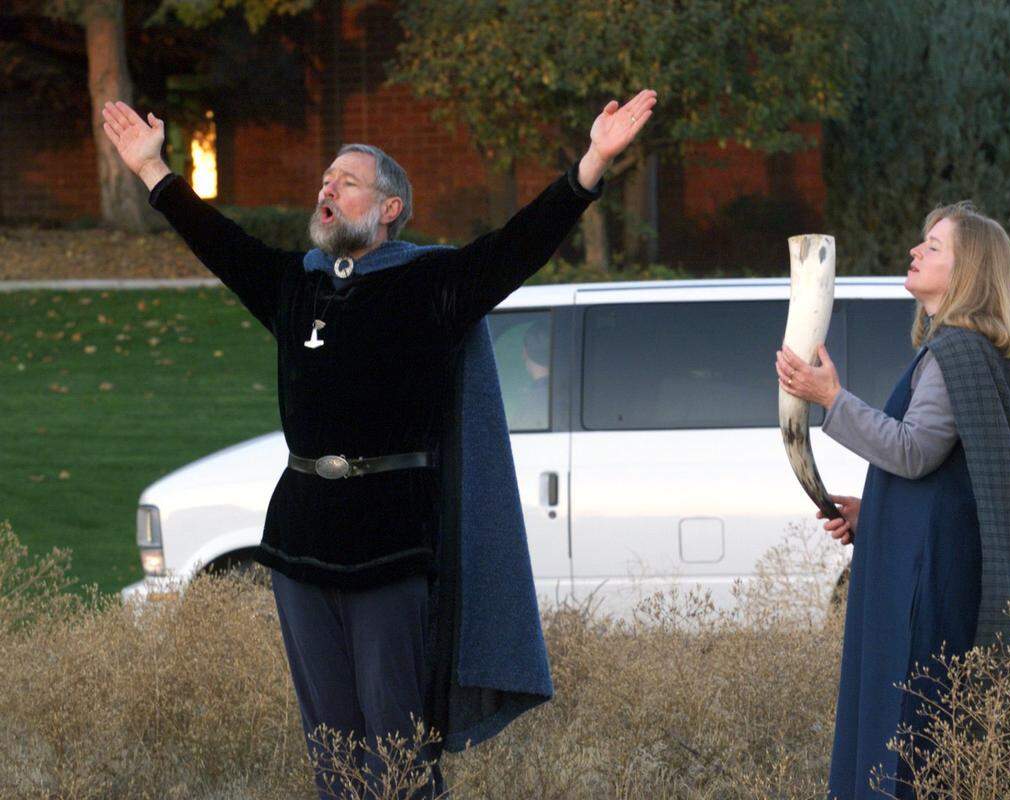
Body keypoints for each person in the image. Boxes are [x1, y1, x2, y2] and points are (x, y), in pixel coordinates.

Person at [102, 89, 656, 799]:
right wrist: (154, 172)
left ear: (389, 208)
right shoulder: (295, 287)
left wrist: (591, 165)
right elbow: (221, 244)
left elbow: (518, 246)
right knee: (331, 752)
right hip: (300, 539)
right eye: (326, 179)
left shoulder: (431, 284)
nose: (327, 187)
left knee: (396, 755)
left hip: (393, 541)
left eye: (348, 180)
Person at [776, 202, 1010, 799]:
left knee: (909, 736)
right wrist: (873, 513)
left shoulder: (958, 352)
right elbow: (951, 481)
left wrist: (832, 398)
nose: (915, 252)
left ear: (968, 272)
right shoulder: (967, 352)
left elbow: (914, 451)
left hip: (926, 589)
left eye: (933, 247)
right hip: (928, 570)